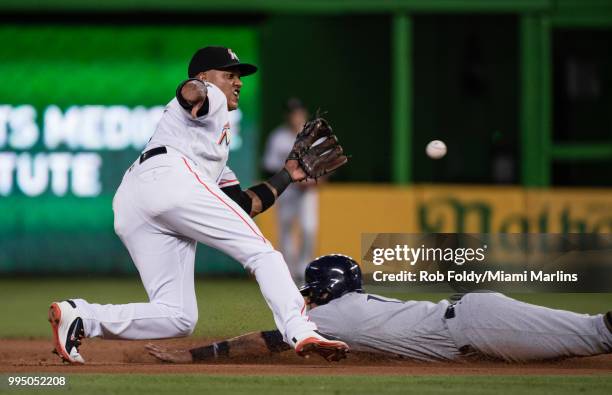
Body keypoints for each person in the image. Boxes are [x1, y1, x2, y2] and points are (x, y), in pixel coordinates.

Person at [47, 46, 349, 364]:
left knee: (177, 315)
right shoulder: (211, 99)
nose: (238, 82)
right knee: (261, 252)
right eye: (229, 75)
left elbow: (242, 205)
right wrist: (196, 90)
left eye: (239, 77)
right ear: (206, 76)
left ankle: (80, 316)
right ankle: (300, 329)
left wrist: (287, 175)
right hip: (170, 178)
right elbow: (192, 92)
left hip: (133, 200)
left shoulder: (210, 149)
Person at [146, 254, 612, 363]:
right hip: (474, 320)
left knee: (597, 333)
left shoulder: (326, 318)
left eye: (311, 289)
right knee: (590, 333)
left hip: (479, 325)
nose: (304, 297)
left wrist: (194, 354)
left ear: (325, 290)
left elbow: (262, 344)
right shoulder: (350, 309)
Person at [263, 98, 318, 282]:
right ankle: (289, 273)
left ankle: (303, 270)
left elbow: (326, 164)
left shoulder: (313, 136)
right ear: (287, 116)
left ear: (304, 113)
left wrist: (316, 180)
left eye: (298, 111)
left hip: (308, 192)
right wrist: (291, 179)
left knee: (309, 229)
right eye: (292, 112)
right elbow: (269, 167)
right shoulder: (277, 137)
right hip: (286, 191)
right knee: (286, 231)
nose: (296, 115)